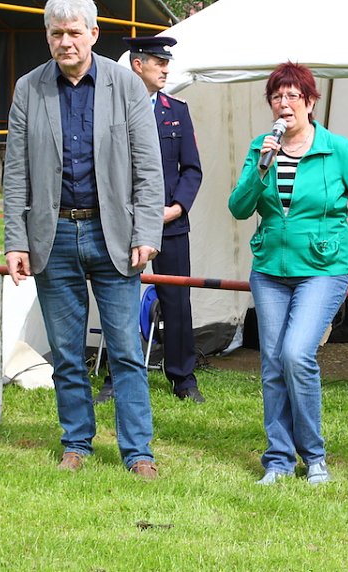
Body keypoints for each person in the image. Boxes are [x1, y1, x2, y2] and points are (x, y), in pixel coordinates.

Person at [3, 0, 164, 479]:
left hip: (113, 236)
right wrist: (16, 241)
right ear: (47, 36)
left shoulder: (127, 85)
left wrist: (147, 232)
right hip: (51, 239)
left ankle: (138, 453)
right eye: (56, 34)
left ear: (94, 33)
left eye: (73, 32)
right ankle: (77, 443)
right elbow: (15, 173)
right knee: (66, 353)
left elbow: (148, 167)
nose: (65, 42)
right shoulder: (28, 89)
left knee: (126, 351)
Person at [228, 62, 348, 486]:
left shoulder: (338, 149)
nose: (283, 104)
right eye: (276, 97)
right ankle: (278, 460)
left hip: (323, 269)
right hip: (270, 269)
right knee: (271, 362)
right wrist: (261, 168)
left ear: (309, 101)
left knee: (295, 354)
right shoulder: (261, 148)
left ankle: (315, 457)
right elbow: (238, 208)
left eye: (292, 96)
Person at [93, 35, 204, 404]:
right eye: (159, 62)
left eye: (166, 62)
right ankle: (115, 375)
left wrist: (177, 208)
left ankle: (183, 378)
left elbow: (191, 170)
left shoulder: (177, 110)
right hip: (122, 224)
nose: (166, 68)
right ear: (137, 65)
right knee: (119, 300)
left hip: (169, 223)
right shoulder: (111, 109)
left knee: (177, 300)